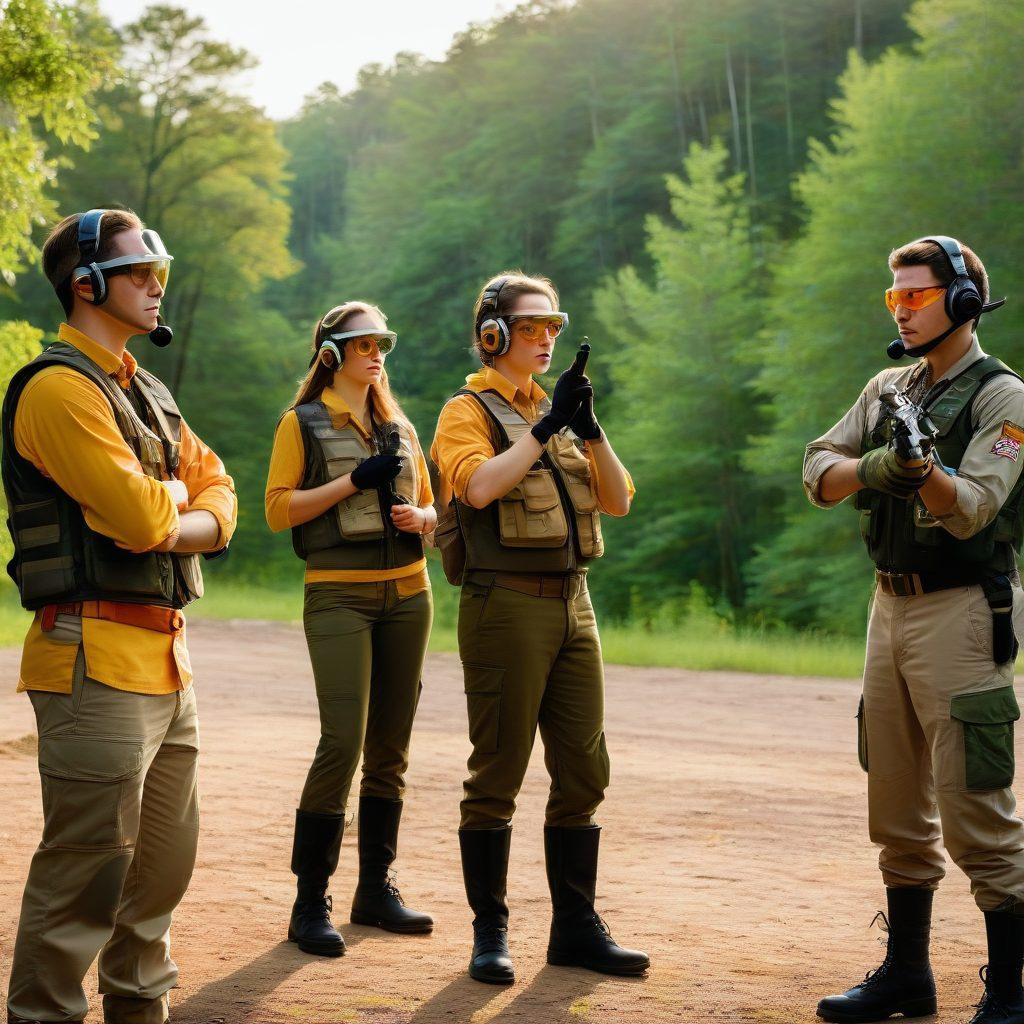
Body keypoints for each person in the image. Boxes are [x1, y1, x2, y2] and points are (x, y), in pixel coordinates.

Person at [2, 208, 237, 1024]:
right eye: (138, 271)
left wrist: (177, 511)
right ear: (85, 284)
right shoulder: (57, 389)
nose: (155, 283)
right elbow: (140, 521)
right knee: (85, 878)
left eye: (157, 270)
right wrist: (173, 504)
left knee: (160, 875)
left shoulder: (148, 392)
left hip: (168, 663)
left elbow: (223, 495)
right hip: (90, 656)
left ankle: (139, 1012)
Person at [804, 237, 1024, 1024]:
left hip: (961, 610)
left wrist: (924, 469)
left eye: (915, 295)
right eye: (893, 296)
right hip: (888, 606)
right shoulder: (888, 386)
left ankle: (1011, 992)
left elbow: (974, 510)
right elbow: (817, 469)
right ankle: (906, 975)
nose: (900, 310)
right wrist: (877, 467)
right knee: (896, 805)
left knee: (977, 809)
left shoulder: (1004, 398)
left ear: (962, 301)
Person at [430, 270, 650, 985]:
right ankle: (489, 934)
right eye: (530, 327)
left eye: (553, 326)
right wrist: (547, 428)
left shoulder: (556, 409)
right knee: (497, 771)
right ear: (493, 335)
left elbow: (617, 500)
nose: (546, 339)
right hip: (505, 603)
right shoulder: (465, 411)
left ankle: (575, 931)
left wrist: (589, 428)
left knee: (584, 769)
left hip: (573, 602)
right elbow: (478, 487)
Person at [265, 301, 435, 958]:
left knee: (391, 747)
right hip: (338, 597)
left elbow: (438, 509)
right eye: (364, 343)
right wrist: (352, 482)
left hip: (410, 596)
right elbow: (278, 511)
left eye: (382, 343)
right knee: (343, 741)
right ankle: (310, 901)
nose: (376, 354)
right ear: (331, 353)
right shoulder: (301, 422)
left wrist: (421, 518)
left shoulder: (400, 425)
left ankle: (375, 890)